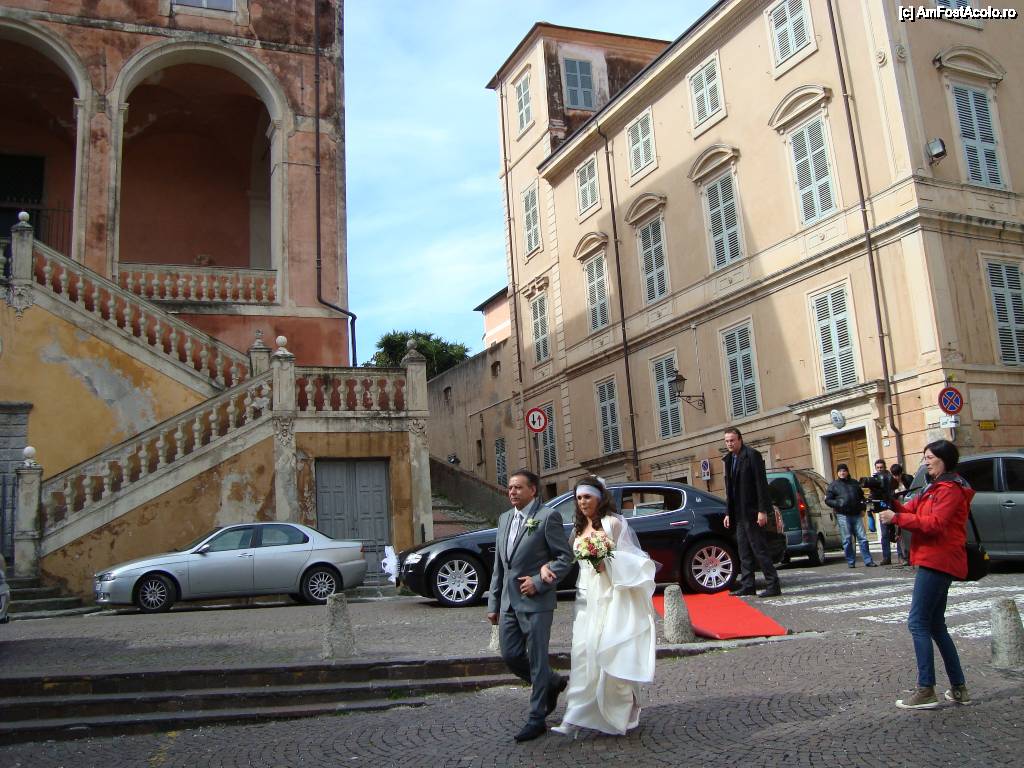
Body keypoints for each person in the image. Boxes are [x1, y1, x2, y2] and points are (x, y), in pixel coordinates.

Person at [539, 476, 657, 738]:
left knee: (609, 652)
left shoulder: (613, 523)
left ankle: (621, 710)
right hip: (585, 600)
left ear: (599, 498)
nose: (583, 502)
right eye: (579, 498)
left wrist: (606, 562)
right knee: (583, 655)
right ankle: (574, 715)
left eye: (587, 497)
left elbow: (632, 559)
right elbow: (565, 559)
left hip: (609, 597)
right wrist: (546, 568)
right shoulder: (578, 529)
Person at [879, 440, 974, 709]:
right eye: (924, 457)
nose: (926, 462)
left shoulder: (950, 489)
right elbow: (910, 510)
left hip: (939, 559)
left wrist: (896, 518)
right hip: (935, 558)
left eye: (930, 457)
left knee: (918, 623)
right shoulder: (933, 487)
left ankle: (926, 690)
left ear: (944, 459)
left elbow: (935, 524)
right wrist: (889, 500)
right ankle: (959, 688)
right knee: (935, 625)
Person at [487, 469, 574, 742]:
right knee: (511, 655)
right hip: (508, 603)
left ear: (533, 490)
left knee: (537, 660)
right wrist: (493, 602)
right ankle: (552, 682)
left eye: (518, 487)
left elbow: (564, 558)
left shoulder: (548, 517)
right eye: (510, 487)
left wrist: (538, 581)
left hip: (537, 601)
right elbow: (500, 566)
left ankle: (537, 719)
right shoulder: (504, 518)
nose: (512, 492)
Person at [722, 427, 781, 597]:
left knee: (759, 549)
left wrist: (762, 511)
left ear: (740, 440)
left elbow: (760, 484)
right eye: (727, 441)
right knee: (744, 551)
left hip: (752, 511)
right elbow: (730, 490)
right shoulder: (729, 459)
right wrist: (728, 513)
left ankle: (773, 585)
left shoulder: (752, 455)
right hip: (738, 513)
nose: (729, 444)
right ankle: (748, 585)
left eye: (732, 440)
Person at [825, 464, 877, 568]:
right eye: (840, 471)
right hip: (843, 515)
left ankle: (868, 560)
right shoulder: (833, 485)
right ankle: (851, 561)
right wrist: (838, 503)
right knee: (847, 539)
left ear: (847, 472)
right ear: (837, 473)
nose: (842, 473)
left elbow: (862, 497)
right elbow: (828, 500)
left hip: (856, 514)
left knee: (863, 538)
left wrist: (863, 509)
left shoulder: (854, 483)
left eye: (844, 471)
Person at [866, 459, 904, 565]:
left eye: (881, 467)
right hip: (883, 510)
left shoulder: (891, 478)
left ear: (885, 467)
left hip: (894, 509)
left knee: (897, 533)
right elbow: (872, 495)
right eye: (877, 468)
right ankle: (886, 558)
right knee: (884, 535)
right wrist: (870, 508)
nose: (879, 469)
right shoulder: (875, 480)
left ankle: (901, 556)